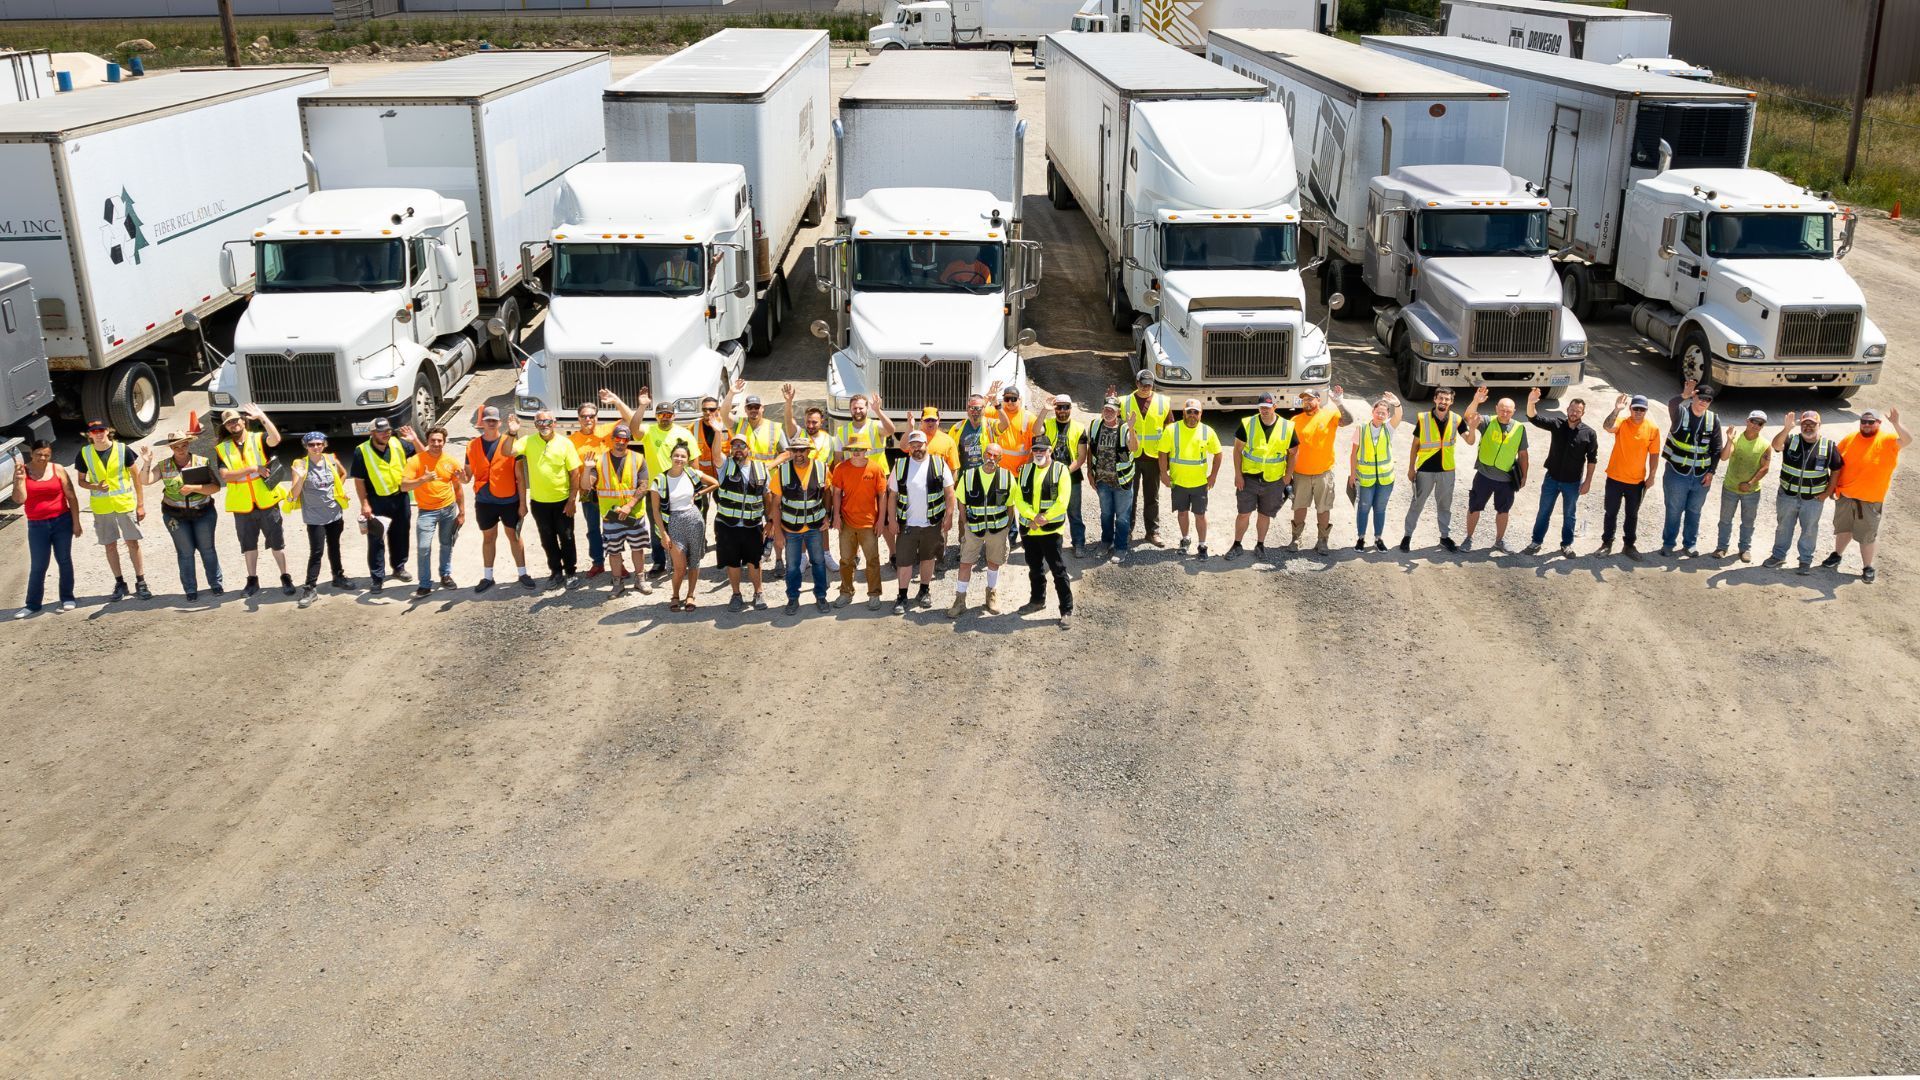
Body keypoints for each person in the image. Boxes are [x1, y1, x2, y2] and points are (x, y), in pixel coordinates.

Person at [211, 407, 290, 598]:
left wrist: (262, 417)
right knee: (248, 545)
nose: (234, 424)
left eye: (236, 420)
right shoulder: (223, 448)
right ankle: (252, 580)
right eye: (229, 422)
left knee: (277, 544)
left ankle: (285, 577)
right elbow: (225, 476)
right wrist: (252, 468)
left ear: (243, 421)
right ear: (225, 427)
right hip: (243, 504)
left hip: (266, 500)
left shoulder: (259, 438)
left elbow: (276, 439)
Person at [1825, 406, 1910, 583]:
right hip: (1846, 496)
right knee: (1843, 529)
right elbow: (1835, 462)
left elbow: (1908, 440)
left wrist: (1895, 423)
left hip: (1870, 500)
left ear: (1878, 423)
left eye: (1871, 422)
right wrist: (1832, 486)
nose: (1866, 425)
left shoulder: (1887, 440)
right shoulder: (1850, 438)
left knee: (1867, 536)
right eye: (1863, 421)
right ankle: (1837, 555)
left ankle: (1867, 566)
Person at [884, 428, 956, 614]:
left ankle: (924, 590)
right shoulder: (900, 466)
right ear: (908, 447)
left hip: (932, 524)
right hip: (907, 524)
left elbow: (949, 493)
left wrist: (948, 517)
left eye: (920, 444)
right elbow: (892, 496)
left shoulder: (939, 464)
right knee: (904, 562)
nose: (917, 448)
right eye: (913, 445)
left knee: (928, 558)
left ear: (926, 445)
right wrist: (892, 520)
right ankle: (902, 595)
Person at [466, 406, 534, 592]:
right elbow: (467, 475)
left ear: (499, 422)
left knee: (514, 536)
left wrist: (522, 504)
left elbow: (520, 477)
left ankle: (523, 573)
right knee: (488, 538)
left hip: (508, 500)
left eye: (494, 420)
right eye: (487, 419)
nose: (490, 422)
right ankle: (488, 577)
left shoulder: (512, 443)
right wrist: (459, 476)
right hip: (484, 501)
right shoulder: (472, 446)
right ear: (482, 423)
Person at [148, 430, 222, 600]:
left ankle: (216, 583)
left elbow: (215, 488)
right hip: (175, 515)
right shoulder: (163, 465)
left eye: (184, 445)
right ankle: (190, 589)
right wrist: (146, 464)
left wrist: (194, 488)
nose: (180, 449)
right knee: (185, 553)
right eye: (176, 446)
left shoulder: (201, 462)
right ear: (171, 448)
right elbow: (145, 480)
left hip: (203, 513)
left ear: (189, 444)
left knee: (207, 549)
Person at [1524, 388, 1598, 557]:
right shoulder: (1557, 424)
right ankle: (1536, 542)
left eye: (1578, 411)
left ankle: (1567, 545)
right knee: (1544, 511)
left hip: (1572, 483)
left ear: (1583, 413)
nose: (1574, 413)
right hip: (1551, 478)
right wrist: (1531, 402)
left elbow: (1592, 459)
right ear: (1567, 410)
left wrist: (1587, 482)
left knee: (1569, 515)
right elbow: (1533, 418)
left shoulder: (1589, 434)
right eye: (1572, 410)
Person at [348, 417, 417, 592]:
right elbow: (359, 480)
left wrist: (414, 439)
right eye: (381, 431)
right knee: (376, 539)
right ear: (372, 433)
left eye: (387, 430)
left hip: (400, 498)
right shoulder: (361, 451)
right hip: (377, 501)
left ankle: (399, 567)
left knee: (401, 534)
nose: (386, 434)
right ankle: (377, 577)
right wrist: (364, 504)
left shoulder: (398, 443)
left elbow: (421, 455)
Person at [286, 432, 354, 608]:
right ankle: (309, 588)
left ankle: (338, 577)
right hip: (314, 517)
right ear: (305, 446)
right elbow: (293, 494)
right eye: (311, 444)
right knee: (317, 552)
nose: (316, 447)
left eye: (319, 444)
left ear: (324, 444)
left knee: (335, 546)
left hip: (334, 513)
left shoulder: (331, 459)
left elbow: (344, 473)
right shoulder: (300, 464)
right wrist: (300, 478)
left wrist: (338, 491)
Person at [1765, 410, 1837, 575]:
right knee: (1783, 527)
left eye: (1812, 424)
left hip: (1813, 499)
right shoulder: (1791, 440)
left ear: (1819, 426)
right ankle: (1778, 556)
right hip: (1787, 496)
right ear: (1800, 425)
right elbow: (1776, 445)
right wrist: (1786, 429)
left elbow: (1837, 470)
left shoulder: (1829, 446)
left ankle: (1805, 561)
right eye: (1805, 423)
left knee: (1809, 530)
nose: (1808, 427)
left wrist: (1828, 492)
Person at [12, 439, 79, 618]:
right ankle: (32, 604)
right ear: (31, 453)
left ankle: (67, 597)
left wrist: (76, 522)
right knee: (39, 565)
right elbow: (19, 499)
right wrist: (19, 480)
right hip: (37, 525)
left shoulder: (58, 469)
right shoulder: (23, 471)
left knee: (64, 559)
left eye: (46, 455)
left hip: (61, 522)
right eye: (39, 454)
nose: (42, 458)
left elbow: (71, 496)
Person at [767, 434, 832, 615]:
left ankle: (821, 596)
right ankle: (793, 598)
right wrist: (778, 532)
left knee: (818, 562)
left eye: (801, 450)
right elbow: (775, 503)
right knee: (793, 566)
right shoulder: (783, 471)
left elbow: (828, 493)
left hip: (814, 527)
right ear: (790, 452)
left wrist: (828, 515)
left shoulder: (822, 468)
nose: (798, 454)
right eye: (794, 450)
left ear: (808, 451)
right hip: (791, 529)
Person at [650, 443, 719, 611]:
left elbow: (715, 483)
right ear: (671, 457)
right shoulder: (660, 480)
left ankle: (690, 595)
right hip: (674, 523)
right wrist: (663, 534)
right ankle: (675, 595)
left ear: (687, 460)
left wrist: (699, 493)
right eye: (676, 455)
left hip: (694, 520)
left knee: (694, 561)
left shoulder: (691, 473)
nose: (679, 459)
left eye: (683, 456)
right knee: (679, 567)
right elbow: (656, 511)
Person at [517, 410, 583, 587]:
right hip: (539, 502)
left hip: (562, 501)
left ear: (554, 422)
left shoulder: (565, 443)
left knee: (567, 537)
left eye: (547, 422)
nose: (544, 425)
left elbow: (575, 472)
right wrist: (511, 432)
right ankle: (556, 572)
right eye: (539, 422)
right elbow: (509, 451)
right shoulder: (528, 441)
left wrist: (571, 500)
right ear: (535, 425)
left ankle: (571, 572)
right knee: (547, 539)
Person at [1459, 387, 1530, 552]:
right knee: (1475, 507)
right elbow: (1468, 416)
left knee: (1503, 511)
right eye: (1502, 410)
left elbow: (1523, 455)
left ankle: (1499, 541)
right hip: (1484, 475)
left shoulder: (1520, 428)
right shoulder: (1487, 421)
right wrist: (1476, 401)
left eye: (1508, 411)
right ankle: (1468, 539)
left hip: (1506, 480)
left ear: (1514, 411)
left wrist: (1524, 475)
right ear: (1496, 408)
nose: (1505, 413)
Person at [1228, 392, 1296, 559]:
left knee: (1265, 514)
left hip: (1273, 480)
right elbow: (1237, 450)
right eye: (1261, 407)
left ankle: (1260, 545)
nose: (1264, 410)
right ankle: (1237, 544)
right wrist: (1238, 475)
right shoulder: (1248, 423)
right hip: (1249, 478)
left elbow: (1293, 452)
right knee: (1244, 513)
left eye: (1267, 407)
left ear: (1274, 407)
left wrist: (1288, 476)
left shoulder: (1287, 426)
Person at [1014, 435, 1073, 627]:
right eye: (1035, 450)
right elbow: (1019, 499)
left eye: (1042, 450)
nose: (1038, 453)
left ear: (1050, 451)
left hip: (1050, 531)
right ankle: (1037, 600)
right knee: (1034, 568)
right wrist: (1032, 517)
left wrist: (1042, 519)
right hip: (1030, 531)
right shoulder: (1025, 470)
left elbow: (1062, 502)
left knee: (1058, 570)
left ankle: (1066, 610)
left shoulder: (1060, 470)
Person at [1660, 379, 1724, 557]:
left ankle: (1690, 545)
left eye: (1708, 400)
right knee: (1674, 509)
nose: (1704, 402)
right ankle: (1668, 543)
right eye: (1701, 397)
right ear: (1694, 397)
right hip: (1677, 473)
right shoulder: (1681, 413)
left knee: (1694, 511)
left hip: (1700, 476)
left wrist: (1711, 472)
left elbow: (1717, 449)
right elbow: (1672, 404)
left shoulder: (1713, 419)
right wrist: (1683, 395)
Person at [401, 425, 467, 596]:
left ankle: (445, 575)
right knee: (423, 548)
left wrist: (462, 512)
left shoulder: (451, 462)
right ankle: (424, 583)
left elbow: (458, 487)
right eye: (433, 440)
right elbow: (403, 486)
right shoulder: (415, 461)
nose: (436, 443)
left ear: (444, 442)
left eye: (439, 441)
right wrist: (423, 479)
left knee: (447, 544)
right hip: (426, 512)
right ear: (427, 441)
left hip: (448, 510)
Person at [592, 423, 653, 599]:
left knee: (638, 548)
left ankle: (640, 580)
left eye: (624, 439)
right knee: (614, 550)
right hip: (611, 516)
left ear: (629, 440)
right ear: (612, 440)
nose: (621, 442)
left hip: (633, 514)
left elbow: (643, 484)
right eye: (617, 438)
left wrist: (629, 505)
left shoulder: (638, 458)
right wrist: (588, 468)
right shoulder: (599, 460)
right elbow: (587, 485)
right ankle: (617, 584)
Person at [1288, 386, 1352, 555]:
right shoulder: (1294, 420)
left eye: (1310, 398)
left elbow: (1348, 421)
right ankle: (1296, 538)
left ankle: (1322, 541)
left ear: (1318, 400)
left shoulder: (1329, 414)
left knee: (1323, 508)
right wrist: (1287, 473)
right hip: (1300, 473)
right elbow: (1289, 449)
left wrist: (1339, 403)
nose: (1307, 402)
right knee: (1299, 507)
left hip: (1323, 472)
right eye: (1304, 399)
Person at [638, 398, 698, 577]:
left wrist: (694, 487)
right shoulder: (649, 431)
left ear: (674, 416)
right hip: (656, 488)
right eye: (661, 414)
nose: (665, 417)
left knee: (682, 524)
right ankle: (659, 561)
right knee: (657, 525)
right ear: (656, 416)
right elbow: (634, 427)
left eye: (668, 414)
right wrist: (641, 406)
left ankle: (683, 559)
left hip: (680, 487)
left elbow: (693, 460)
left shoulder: (684, 434)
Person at [951, 442, 1013, 617]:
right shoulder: (969, 476)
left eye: (995, 456)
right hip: (973, 528)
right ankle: (960, 600)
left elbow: (1011, 506)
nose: (991, 459)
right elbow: (961, 502)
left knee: (993, 562)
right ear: (983, 455)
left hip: (997, 529)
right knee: (965, 563)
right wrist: (965, 524)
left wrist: (1005, 529)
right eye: (989, 454)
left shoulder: (1007, 477)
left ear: (1000, 459)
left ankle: (991, 595)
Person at [1599, 393, 1662, 560]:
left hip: (1636, 482)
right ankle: (1607, 543)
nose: (1639, 412)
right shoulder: (1622, 422)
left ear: (1646, 411)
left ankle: (1629, 545)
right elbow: (1607, 426)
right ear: (1630, 409)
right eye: (1636, 409)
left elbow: (1654, 454)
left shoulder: (1653, 429)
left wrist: (1652, 475)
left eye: (1642, 409)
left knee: (1632, 515)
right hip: (1614, 477)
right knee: (1610, 512)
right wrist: (1616, 410)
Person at [830, 434, 888, 610]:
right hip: (847, 522)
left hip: (869, 523)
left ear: (866, 451)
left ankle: (874, 594)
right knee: (846, 560)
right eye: (853, 449)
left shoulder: (876, 469)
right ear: (848, 451)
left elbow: (882, 496)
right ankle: (846, 592)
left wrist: (881, 521)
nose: (856, 452)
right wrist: (837, 517)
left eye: (860, 449)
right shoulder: (841, 468)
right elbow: (836, 494)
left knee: (872, 560)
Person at [712, 433, 770, 612]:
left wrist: (770, 521)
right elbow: (715, 455)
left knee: (755, 561)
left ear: (748, 449)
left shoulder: (761, 468)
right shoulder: (725, 466)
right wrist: (716, 431)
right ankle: (736, 595)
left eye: (741, 446)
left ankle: (758, 593)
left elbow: (767, 497)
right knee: (733, 561)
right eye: (734, 446)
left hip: (752, 525)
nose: (737, 449)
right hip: (728, 525)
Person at [1400, 387, 1462, 552]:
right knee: (1417, 503)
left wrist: (1476, 407)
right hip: (1425, 469)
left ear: (1451, 402)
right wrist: (1411, 468)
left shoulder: (1457, 419)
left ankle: (1444, 537)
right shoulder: (1423, 418)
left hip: (1447, 470)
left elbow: (1470, 440)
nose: (1443, 402)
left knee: (1445, 505)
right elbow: (1415, 446)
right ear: (1435, 399)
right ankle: (1407, 536)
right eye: (1441, 398)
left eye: (1447, 399)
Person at [1160, 399, 1223, 558]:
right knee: (1182, 512)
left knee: (1200, 515)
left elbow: (1218, 453)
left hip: (1199, 483)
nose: (1192, 415)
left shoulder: (1207, 431)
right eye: (1189, 411)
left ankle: (1202, 545)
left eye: (1196, 412)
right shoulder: (1171, 430)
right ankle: (1185, 539)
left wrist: (1213, 475)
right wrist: (1163, 474)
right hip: (1178, 481)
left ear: (1201, 414)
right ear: (1183, 413)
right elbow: (1162, 453)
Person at [569, 395, 624, 578]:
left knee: (614, 527)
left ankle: (619, 563)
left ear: (597, 418)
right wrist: (573, 495)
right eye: (584, 416)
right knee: (593, 529)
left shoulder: (607, 431)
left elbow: (627, 419)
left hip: (609, 490)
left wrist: (616, 402)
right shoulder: (572, 441)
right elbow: (573, 471)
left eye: (592, 416)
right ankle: (598, 562)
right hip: (588, 491)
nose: (588, 419)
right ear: (578, 418)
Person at [1711, 409, 1772, 561]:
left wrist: (1750, 483)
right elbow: (1724, 457)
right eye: (1753, 421)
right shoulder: (1736, 439)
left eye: (1760, 423)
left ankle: (1745, 549)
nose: (1756, 425)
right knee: (1725, 520)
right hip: (1730, 487)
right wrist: (1730, 440)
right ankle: (1722, 547)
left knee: (1748, 522)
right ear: (1747, 421)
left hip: (1751, 491)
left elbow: (1765, 467)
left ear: (1763, 426)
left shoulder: (1765, 444)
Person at [1120, 370, 1171, 547]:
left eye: (1149, 385)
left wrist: (1167, 461)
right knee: (1129, 497)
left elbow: (1169, 431)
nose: (1145, 387)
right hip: (1130, 457)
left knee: (1152, 497)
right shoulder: (1124, 402)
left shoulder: (1163, 402)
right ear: (1136, 383)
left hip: (1153, 457)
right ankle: (1126, 532)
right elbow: (1114, 426)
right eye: (1142, 384)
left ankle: (1152, 532)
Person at [1085, 398, 1139, 562]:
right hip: (1102, 481)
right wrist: (1089, 471)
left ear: (1118, 412)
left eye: (1112, 410)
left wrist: (1131, 428)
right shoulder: (1095, 425)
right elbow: (1090, 449)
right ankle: (1106, 542)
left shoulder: (1124, 428)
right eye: (1106, 409)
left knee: (1122, 517)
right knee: (1106, 514)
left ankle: (1120, 547)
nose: (1108, 413)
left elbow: (1134, 449)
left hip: (1122, 482)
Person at [1348, 394, 1402, 550]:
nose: (1380, 415)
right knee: (1364, 508)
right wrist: (1352, 475)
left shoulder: (1389, 428)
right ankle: (1361, 538)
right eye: (1378, 412)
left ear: (1388, 416)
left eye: (1384, 413)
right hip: (1366, 478)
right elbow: (1353, 454)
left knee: (1380, 509)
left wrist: (1396, 403)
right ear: (1373, 411)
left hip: (1385, 480)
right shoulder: (1362, 429)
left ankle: (1378, 538)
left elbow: (1399, 415)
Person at [1040, 394, 1089, 557]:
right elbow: (1035, 431)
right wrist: (1044, 411)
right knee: (1051, 512)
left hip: (1072, 477)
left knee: (1074, 512)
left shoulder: (1079, 428)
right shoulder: (1047, 424)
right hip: (1049, 478)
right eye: (1059, 407)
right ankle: (1052, 545)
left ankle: (1079, 543)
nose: (1062, 411)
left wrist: (1064, 473)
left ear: (1070, 408)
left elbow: (1082, 457)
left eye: (1065, 407)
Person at [985, 383, 1037, 477]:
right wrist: (987, 397)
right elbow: (978, 411)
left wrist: (1027, 466)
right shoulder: (996, 411)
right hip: (998, 471)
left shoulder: (1029, 418)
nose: (1009, 402)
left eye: (1013, 399)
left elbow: (1035, 447)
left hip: (1019, 473)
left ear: (1020, 399)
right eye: (1006, 399)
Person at [830, 390, 892, 467]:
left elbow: (891, 430)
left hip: (876, 475)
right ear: (850, 409)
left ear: (867, 409)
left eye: (861, 408)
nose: (858, 411)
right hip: (853, 475)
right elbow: (838, 458)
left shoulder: (876, 426)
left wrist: (878, 411)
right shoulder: (842, 431)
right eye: (855, 408)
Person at [950, 393, 991, 474]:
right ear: (967, 409)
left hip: (985, 475)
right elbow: (950, 453)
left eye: (978, 408)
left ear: (984, 409)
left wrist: (997, 404)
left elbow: (1005, 424)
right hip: (964, 475)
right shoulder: (956, 428)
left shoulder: (990, 426)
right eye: (972, 408)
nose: (975, 411)